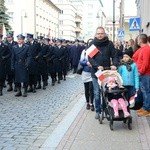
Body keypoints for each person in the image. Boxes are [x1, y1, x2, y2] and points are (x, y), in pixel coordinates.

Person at [88, 26, 119, 119]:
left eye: (102, 33)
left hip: (106, 73)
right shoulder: (92, 44)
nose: (100, 35)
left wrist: (115, 64)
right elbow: (90, 58)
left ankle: (106, 109)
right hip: (96, 72)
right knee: (97, 92)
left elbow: (114, 55)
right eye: (98, 33)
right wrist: (97, 66)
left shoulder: (109, 44)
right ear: (95, 34)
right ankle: (98, 110)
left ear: (104, 34)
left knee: (105, 92)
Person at [135, 34, 150, 116]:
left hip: (145, 74)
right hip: (143, 73)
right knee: (143, 91)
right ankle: (145, 107)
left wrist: (140, 72)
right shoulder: (143, 49)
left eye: (138, 39)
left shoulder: (146, 49)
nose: (137, 41)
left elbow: (145, 63)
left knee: (146, 92)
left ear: (140, 40)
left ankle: (147, 109)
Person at [79, 39, 94, 111]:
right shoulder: (84, 51)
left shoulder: (95, 51)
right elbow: (81, 61)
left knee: (92, 89)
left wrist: (93, 64)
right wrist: (86, 63)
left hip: (93, 72)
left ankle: (92, 103)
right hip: (85, 72)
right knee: (86, 89)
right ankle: (87, 102)